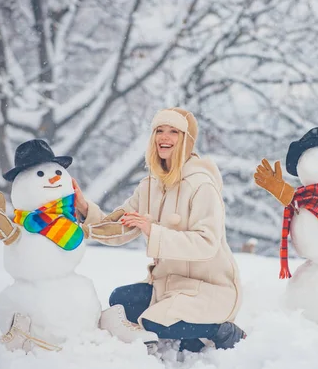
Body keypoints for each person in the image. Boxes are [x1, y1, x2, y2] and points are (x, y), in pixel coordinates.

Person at [74, 107, 245, 353]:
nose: (164, 137)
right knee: (120, 301)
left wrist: (153, 231)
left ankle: (221, 330)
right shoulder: (149, 185)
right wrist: (83, 208)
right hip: (167, 285)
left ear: (187, 140)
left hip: (210, 288)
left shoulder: (201, 185)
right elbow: (118, 228)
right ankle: (189, 336)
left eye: (173, 131)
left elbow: (206, 243)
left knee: (154, 323)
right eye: (159, 131)